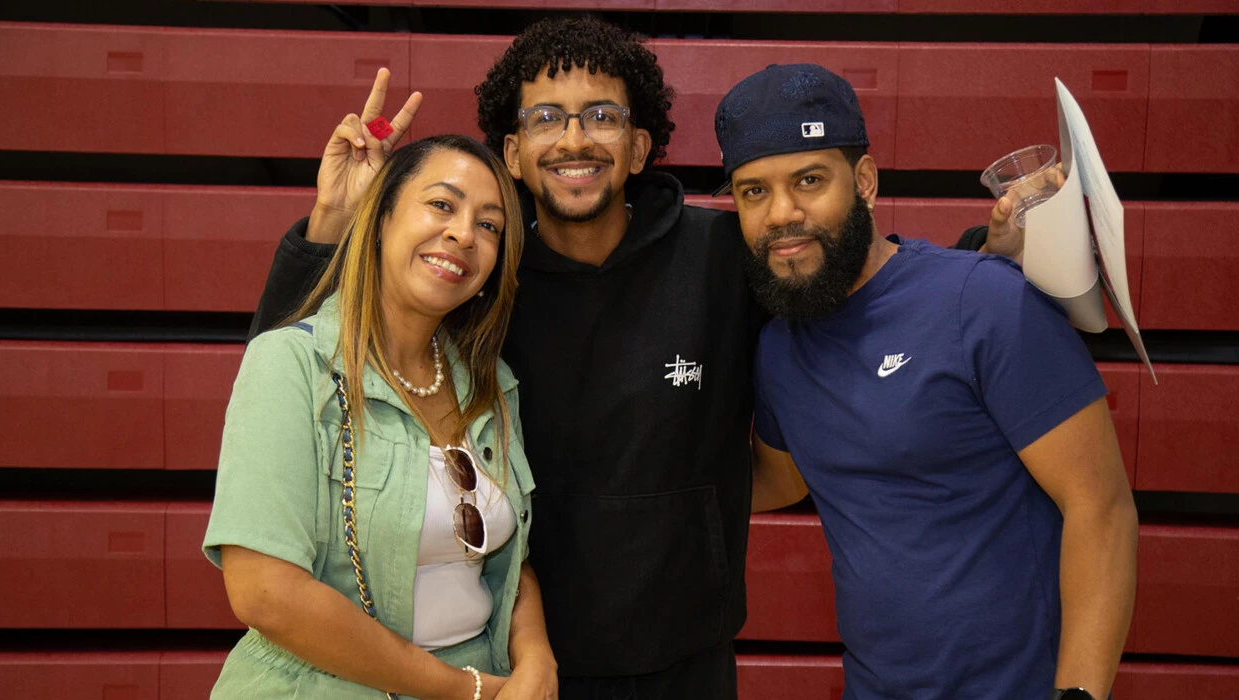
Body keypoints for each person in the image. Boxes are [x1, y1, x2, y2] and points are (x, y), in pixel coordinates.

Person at [246, 18, 1017, 698]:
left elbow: (844, 286)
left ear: (641, 145)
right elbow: (306, 371)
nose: (575, 138)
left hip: (688, 656)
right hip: (523, 661)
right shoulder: (486, 278)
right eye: (547, 117)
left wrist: (986, 258)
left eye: (601, 117)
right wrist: (330, 221)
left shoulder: (721, 255)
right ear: (513, 152)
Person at [719, 63, 1138, 700]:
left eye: (809, 180)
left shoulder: (987, 301)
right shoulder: (780, 349)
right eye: (753, 191)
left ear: (863, 182)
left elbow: (1102, 509)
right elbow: (782, 478)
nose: (782, 213)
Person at [203, 134, 558, 700]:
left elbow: (504, 560)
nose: (464, 234)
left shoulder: (490, 385)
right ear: (382, 215)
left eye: (488, 225)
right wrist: (463, 690)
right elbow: (264, 592)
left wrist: (536, 657)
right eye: (442, 205)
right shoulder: (291, 365)